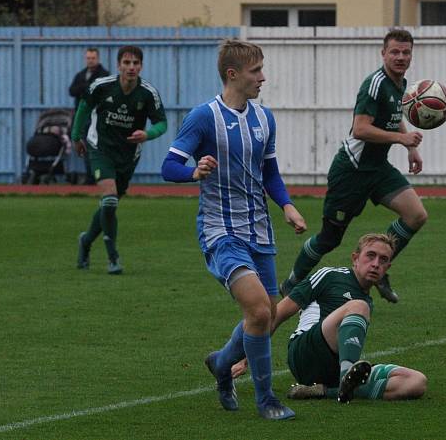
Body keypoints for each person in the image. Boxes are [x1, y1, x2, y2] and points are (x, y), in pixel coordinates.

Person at [160, 39, 307, 420]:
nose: (263, 77)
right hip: (220, 231)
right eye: (256, 70)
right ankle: (265, 399)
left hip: (259, 230)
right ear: (233, 74)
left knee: (267, 315)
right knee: (259, 310)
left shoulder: (264, 119)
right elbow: (169, 165)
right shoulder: (204, 117)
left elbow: (270, 172)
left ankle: (223, 364)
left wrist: (287, 206)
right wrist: (194, 171)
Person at [281, 28, 428, 304]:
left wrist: (411, 147)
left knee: (416, 215)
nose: (400, 57)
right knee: (329, 239)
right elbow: (360, 129)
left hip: (378, 168)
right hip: (351, 171)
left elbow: (394, 116)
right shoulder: (374, 84)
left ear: (411, 55)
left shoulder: (401, 84)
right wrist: (402, 139)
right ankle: (293, 282)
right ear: (383, 53)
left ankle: (380, 269)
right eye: (394, 51)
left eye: (405, 52)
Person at [233, 233, 427, 403]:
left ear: (387, 267)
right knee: (358, 305)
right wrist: (243, 357)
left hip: (331, 370)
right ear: (355, 258)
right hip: (305, 353)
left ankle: (327, 391)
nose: (376, 264)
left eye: (383, 260)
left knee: (416, 381)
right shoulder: (330, 276)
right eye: (370, 256)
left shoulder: (367, 299)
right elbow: (278, 313)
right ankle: (346, 378)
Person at [72, 45, 167, 274]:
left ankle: (85, 241)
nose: (131, 67)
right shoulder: (102, 86)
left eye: (135, 63)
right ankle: (112, 257)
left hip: (127, 155)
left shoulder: (148, 93)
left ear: (141, 66)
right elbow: (84, 107)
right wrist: (76, 136)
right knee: (110, 200)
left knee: (109, 203)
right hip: (100, 148)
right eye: (126, 63)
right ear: (118, 65)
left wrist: (148, 134)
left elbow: (161, 123)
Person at [69, 47, 110, 185]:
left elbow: (102, 93)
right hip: (81, 116)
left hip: (96, 117)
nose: (90, 61)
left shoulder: (104, 74)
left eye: (93, 58)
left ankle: (98, 176)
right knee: (83, 146)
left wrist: (85, 89)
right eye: (88, 58)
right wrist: (86, 87)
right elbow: (72, 90)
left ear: (98, 59)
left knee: (96, 147)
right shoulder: (81, 74)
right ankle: (89, 177)